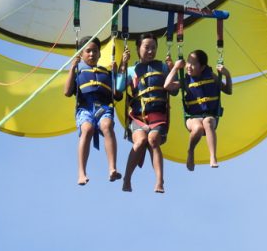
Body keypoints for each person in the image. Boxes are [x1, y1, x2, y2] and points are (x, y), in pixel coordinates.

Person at [117, 33, 175, 193]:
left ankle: (159, 181)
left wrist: (172, 70)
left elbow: (174, 91)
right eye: (147, 48)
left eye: (153, 48)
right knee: (141, 141)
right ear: (138, 49)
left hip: (158, 115)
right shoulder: (131, 69)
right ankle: (127, 178)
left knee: (153, 139)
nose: (151, 51)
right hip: (138, 117)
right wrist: (123, 64)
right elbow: (119, 88)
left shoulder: (163, 67)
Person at [64, 36, 122, 185]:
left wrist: (118, 71)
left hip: (103, 106)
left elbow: (118, 95)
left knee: (107, 126)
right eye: (88, 51)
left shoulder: (107, 73)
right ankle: (81, 173)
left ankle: (112, 168)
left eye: (95, 51)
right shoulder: (78, 72)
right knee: (87, 128)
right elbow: (67, 92)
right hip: (85, 107)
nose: (91, 54)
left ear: (99, 54)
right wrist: (72, 68)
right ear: (82, 54)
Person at [164, 49, 232, 170]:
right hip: (192, 117)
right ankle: (190, 151)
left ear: (202, 67)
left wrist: (227, 75)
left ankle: (212, 156)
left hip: (210, 115)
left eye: (193, 63)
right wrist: (175, 68)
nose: (189, 66)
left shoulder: (211, 76)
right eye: (188, 62)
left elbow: (228, 90)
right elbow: (167, 86)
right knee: (198, 128)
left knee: (207, 122)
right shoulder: (185, 81)